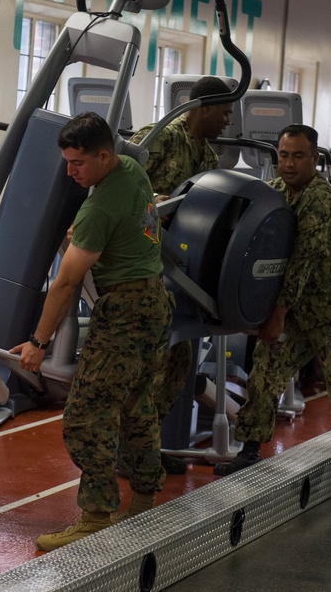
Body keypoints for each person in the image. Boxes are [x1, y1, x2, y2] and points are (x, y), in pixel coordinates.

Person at [12, 111, 173, 551]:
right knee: (136, 405)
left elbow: (64, 282)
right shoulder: (132, 171)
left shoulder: (98, 206)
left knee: (86, 416)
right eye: (66, 162)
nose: (70, 171)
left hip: (124, 312)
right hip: (155, 302)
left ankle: (98, 515)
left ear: (103, 155)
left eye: (77, 163)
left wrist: (38, 344)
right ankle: (143, 495)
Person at [213, 124, 331, 503]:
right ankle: (249, 451)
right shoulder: (273, 194)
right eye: (283, 155)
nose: (288, 164)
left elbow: (300, 262)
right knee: (264, 377)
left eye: (297, 156)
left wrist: (274, 315)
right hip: (294, 312)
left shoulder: (320, 198)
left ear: (314, 159)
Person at [129, 75, 233, 474]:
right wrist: (150, 201)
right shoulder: (159, 138)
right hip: (142, 268)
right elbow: (119, 184)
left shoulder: (205, 156)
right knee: (149, 365)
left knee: (178, 365)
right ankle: (133, 452)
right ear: (202, 109)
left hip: (175, 272)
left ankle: (147, 446)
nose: (227, 122)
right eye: (223, 113)